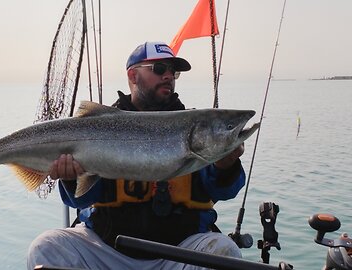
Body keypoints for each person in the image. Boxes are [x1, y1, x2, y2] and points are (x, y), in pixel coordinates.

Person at [28, 41, 245, 270]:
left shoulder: (196, 127)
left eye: (174, 72)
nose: (168, 76)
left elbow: (224, 191)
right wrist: (70, 177)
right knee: (45, 247)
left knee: (225, 252)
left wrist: (226, 167)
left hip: (181, 252)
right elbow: (80, 200)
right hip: (106, 250)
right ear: (133, 75)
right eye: (159, 69)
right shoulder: (99, 126)